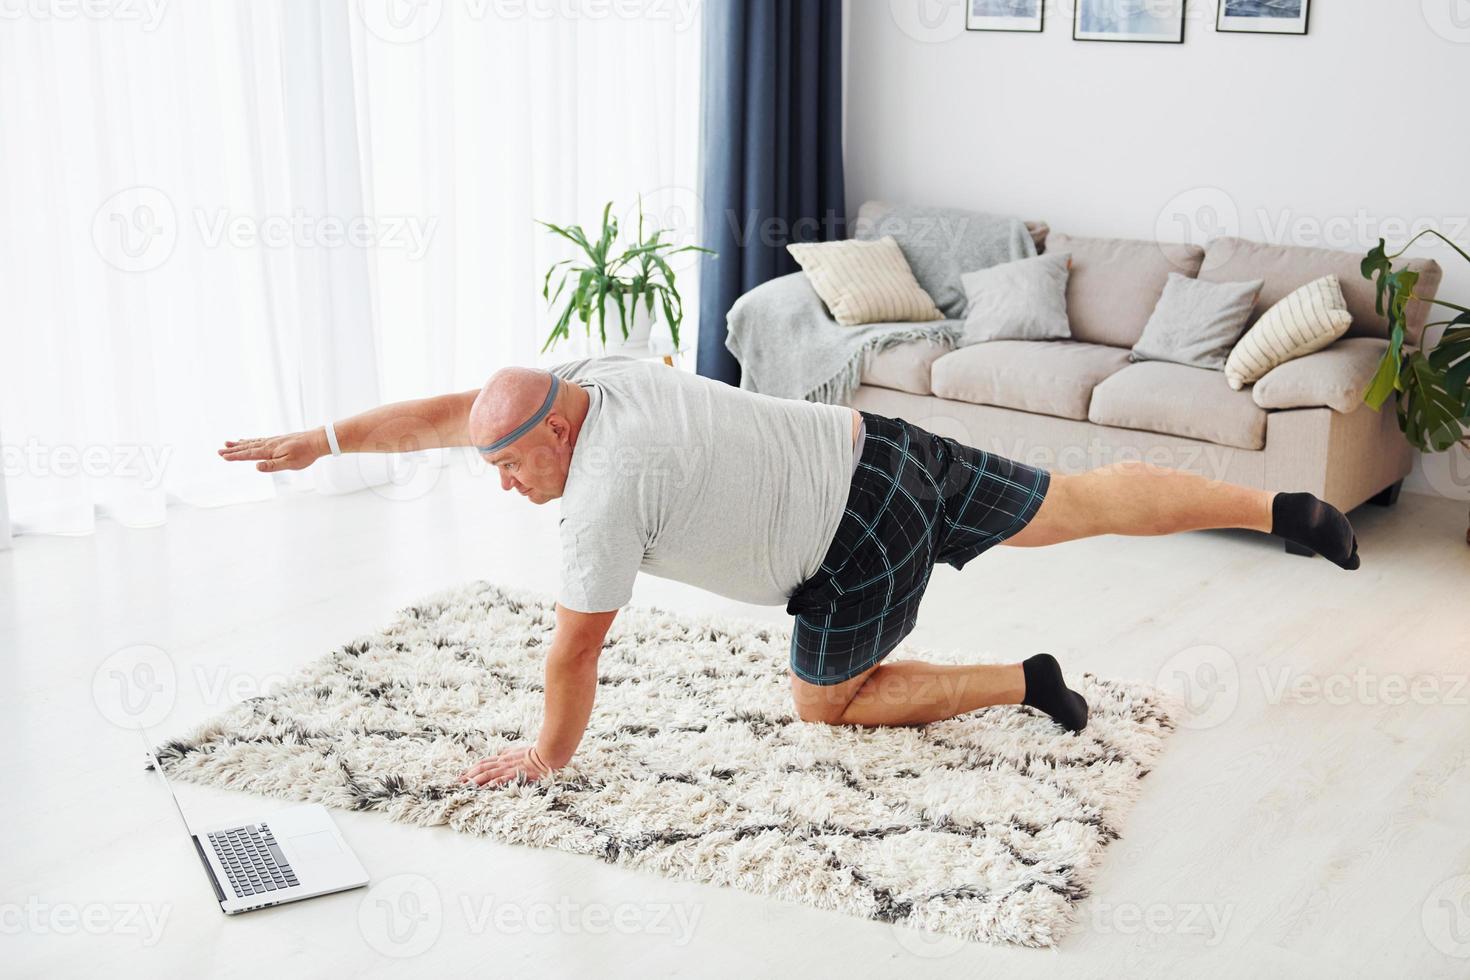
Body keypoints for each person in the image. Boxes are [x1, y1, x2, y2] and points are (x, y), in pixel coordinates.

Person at [218, 357, 1359, 787]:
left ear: (557, 438)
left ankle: (1031, 678)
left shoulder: (602, 497)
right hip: (889, 445)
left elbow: (575, 646)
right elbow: (450, 411)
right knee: (1086, 500)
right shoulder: (595, 373)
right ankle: (1288, 509)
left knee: (823, 704)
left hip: (852, 541)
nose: (499, 482)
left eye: (509, 466)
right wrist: (322, 437)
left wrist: (545, 752)